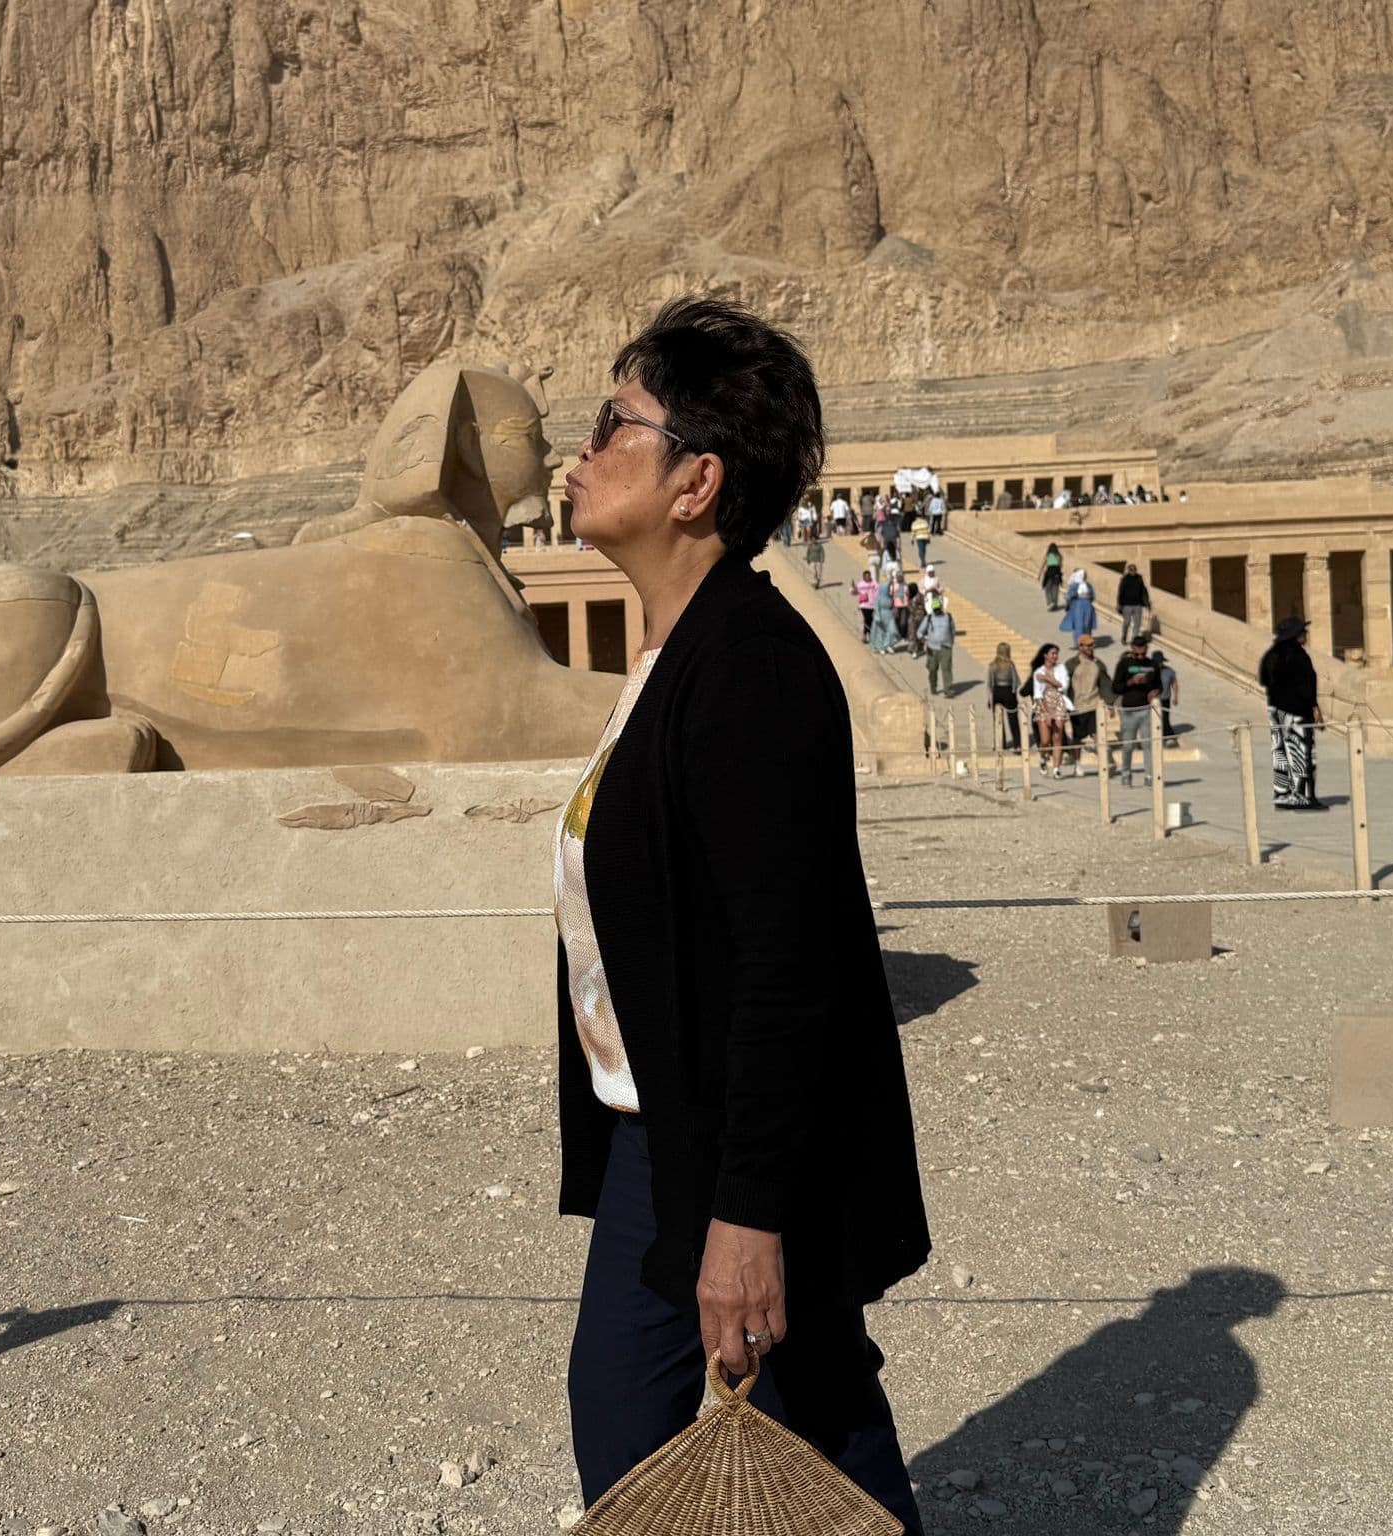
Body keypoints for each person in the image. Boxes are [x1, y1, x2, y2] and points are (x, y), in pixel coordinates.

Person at [555, 296, 929, 1531]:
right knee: (670, 1426)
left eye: (614, 424)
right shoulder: (674, 657)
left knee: (794, 1438)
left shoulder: (753, 670)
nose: (581, 448)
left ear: (693, 482)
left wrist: (746, 1218)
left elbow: (786, 966)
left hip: (726, 1159)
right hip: (658, 1137)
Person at [1258, 616, 1323, 810]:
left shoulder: (1271, 654)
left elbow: (1263, 679)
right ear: (1295, 635)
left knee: (1280, 753)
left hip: (1276, 710)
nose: (1306, 635)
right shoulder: (1298, 656)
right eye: (1303, 632)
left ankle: (1283, 794)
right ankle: (1302, 796)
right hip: (1297, 712)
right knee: (1301, 753)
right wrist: (1314, 707)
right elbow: (1306, 685)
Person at [1109, 634, 1164, 787]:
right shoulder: (1124, 664)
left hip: (1146, 709)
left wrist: (1156, 691)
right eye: (1137, 653)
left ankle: (1149, 775)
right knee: (1128, 745)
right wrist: (1131, 682)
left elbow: (1159, 685)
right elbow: (1115, 687)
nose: (1140, 656)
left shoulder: (1153, 664)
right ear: (1132, 649)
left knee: (1148, 743)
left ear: (1147, 649)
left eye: (1143, 653)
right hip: (1129, 710)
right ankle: (1126, 773)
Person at [1065, 633, 1111, 772]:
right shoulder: (1071, 664)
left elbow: (1105, 684)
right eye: (1088, 645)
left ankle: (1104, 762)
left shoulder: (1098, 664)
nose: (1091, 648)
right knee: (1077, 737)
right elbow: (1064, 684)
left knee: (1097, 733)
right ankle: (1077, 763)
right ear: (1080, 646)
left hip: (1094, 704)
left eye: (1092, 645)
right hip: (1077, 706)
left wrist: (1111, 702)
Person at [1028, 642, 1071, 776]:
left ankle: (1056, 768)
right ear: (1045, 655)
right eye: (1052, 653)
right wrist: (1046, 713)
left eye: (1056, 653)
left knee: (1057, 738)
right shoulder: (1038, 672)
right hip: (1043, 704)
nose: (1055, 656)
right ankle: (1042, 757)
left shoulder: (1061, 669)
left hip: (1058, 702)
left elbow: (1063, 686)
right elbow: (1037, 695)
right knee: (1045, 740)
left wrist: (1047, 678)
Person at [987, 641, 1023, 752]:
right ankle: (1017, 744)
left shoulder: (992, 665)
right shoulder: (1010, 665)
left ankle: (1000, 744)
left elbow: (990, 683)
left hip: (997, 692)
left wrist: (989, 698)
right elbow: (1017, 681)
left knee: (998, 719)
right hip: (1009, 692)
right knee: (1013, 719)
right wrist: (1013, 691)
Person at [918, 604, 955, 697]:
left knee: (947, 669)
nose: (937, 610)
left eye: (938, 608)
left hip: (946, 647)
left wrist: (950, 643)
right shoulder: (929, 618)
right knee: (932, 669)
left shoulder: (948, 617)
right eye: (935, 609)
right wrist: (925, 641)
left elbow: (953, 630)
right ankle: (933, 687)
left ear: (941, 608)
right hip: (932, 648)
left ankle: (948, 689)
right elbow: (919, 632)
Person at [1059, 569, 1097, 643]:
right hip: (1078, 606)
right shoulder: (1075, 585)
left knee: (1087, 623)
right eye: (1084, 575)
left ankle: (1087, 641)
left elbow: (1093, 596)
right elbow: (1068, 596)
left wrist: (1090, 597)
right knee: (1079, 624)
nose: (1085, 577)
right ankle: (1079, 642)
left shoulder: (1088, 585)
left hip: (1088, 606)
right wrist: (1071, 600)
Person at [1117, 562, 1149, 645]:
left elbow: (1143, 590)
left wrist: (1146, 603)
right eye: (1131, 570)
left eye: (1134, 570)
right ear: (1128, 570)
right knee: (1127, 622)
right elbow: (1121, 592)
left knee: (1137, 623)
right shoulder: (1125, 579)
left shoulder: (1139, 578)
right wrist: (1119, 604)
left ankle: (1134, 640)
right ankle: (1124, 636)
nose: (1133, 571)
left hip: (1137, 604)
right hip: (1127, 605)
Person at [871, 572, 902, 653]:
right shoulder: (879, 598)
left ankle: (889, 645)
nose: (889, 589)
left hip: (890, 616)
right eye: (888, 588)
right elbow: (876, 608)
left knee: (892, 631)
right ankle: (881, 647)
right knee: (881, 633)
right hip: (881, 616)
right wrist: (877, 617)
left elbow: (893, 606)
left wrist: (895, 611)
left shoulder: (890, 597)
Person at [1152, 646, 1180, 736]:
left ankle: (1167, 735)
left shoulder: (1169, 671)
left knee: (1165, 718)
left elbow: (1174, 684)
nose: (1159, 664)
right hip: (1153, 699)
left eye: (1160, 662)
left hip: (1165, 699)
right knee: (1153, 719)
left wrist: (1175, 697)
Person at [852, 568, 878, 642]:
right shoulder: (860, 584)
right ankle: (865, 634)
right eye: (866, 576)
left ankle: (868, 634)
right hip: (864, 605)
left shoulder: (874, 583)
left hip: (872, 605)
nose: (867, 578)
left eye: (869, 576)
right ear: (863, 577)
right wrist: (853, 587)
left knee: (870, 620)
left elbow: (877, 591)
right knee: (866, 620)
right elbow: (854, 592)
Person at [1041, 542, 1064, 611]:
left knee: (1047, 587)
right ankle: (1054, 603)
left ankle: (1050, 602)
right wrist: (1060, 575)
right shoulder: (1059, 556)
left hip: (1050, 572)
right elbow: (1060, 565)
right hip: (1057, 572)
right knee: (1055, 587)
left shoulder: (1048, 555)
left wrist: (1039, 574)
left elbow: (1043, 565)